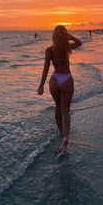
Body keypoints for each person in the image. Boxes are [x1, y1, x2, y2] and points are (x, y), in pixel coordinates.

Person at [37, 25, 82, 153]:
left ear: (53, 36)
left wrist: (41, 85)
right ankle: (65, 137)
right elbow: (79, 43)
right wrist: (71, 37)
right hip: (66, 79)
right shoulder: (66, 48)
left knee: (58, 106)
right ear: (64, 36)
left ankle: (62, 132)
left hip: (55, 80)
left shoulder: (49, 50)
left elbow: (45, 69)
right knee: (65, 112)